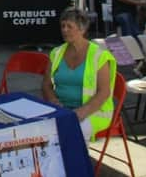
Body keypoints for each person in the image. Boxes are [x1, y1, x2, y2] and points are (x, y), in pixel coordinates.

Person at [42, 8, 116, 143]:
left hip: (94, 112)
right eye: (62, 26)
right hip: (62, 109)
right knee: (37, 131)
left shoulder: (99, 56)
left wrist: (84, 111)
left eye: (69, 26)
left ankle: (76, 163)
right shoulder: (56, 52)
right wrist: (52, 99)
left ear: (82, 30)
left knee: (72, 133)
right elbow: (46, 84)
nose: (64, 30)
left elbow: (104, 92)